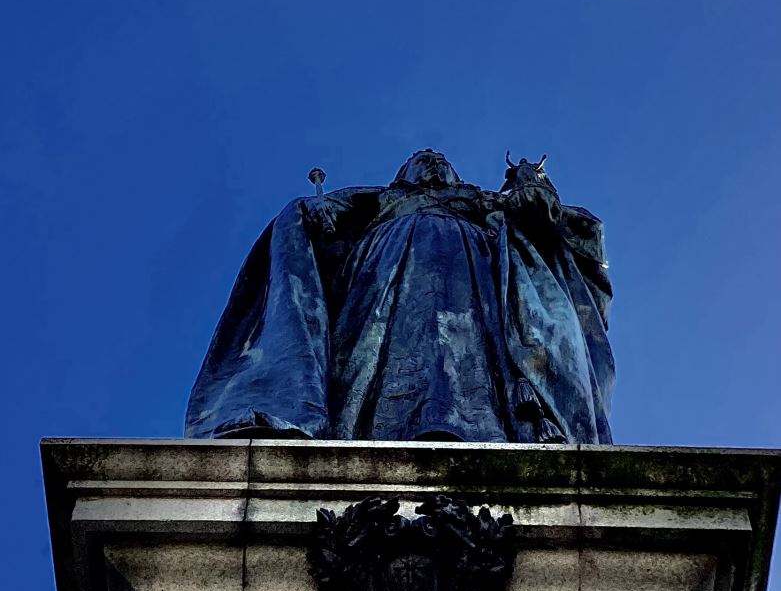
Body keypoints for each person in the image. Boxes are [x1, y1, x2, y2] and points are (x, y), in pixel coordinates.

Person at [185, 149, 615, 444]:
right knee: (367, 357)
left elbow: (565, 225)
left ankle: (477, 428)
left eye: (440, 162)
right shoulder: (380, 200)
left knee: (463, 353)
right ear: (403, 173)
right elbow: (320, 221)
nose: (432, 165)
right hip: (382, 273)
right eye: (422, 161)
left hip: (471, 277)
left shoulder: (479, 202)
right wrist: (317, 215)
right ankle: (355, 429)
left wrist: (533, 189)